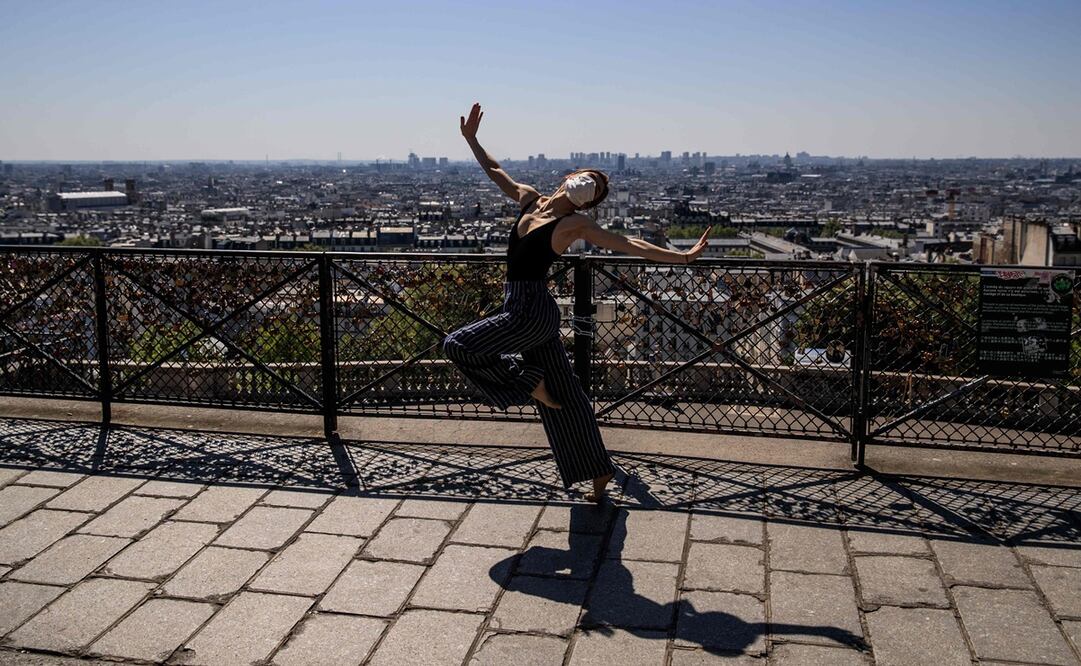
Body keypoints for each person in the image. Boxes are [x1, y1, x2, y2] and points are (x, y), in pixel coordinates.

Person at [442, 102, 712, 503]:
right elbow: (496, 171)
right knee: (566, 397)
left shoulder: (574, 224)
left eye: (596, 189)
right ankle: (599, 472)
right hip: (527, 309)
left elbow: (628, 244)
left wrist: (683, 257)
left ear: (587, 203)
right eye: (591, 179)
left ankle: (528, 384)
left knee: (458, 345)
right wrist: (472, 140)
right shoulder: (530, 200)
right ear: (569, 177)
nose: (590, 185)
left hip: (528, 312)